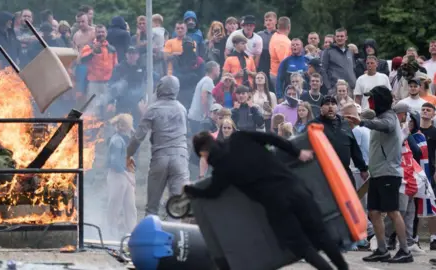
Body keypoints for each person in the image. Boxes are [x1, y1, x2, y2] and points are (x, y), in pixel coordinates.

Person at [184, 131, 349, 270]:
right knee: (321, 234)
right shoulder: (239, 137)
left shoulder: (222, 168)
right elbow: (272, 138)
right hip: (296, 189)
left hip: (276, 204)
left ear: (203, 153)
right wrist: (297, 152)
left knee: (301, 246)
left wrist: (189, 189)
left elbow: (213, 192)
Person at [345, 85, 414, 263]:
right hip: (377, 173)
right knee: (374, 212)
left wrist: (361, 122)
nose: (370, 101)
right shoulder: (380, 117)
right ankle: (382, 249)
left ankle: (405, 251)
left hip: (389, 173)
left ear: (380, 100)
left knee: (392, 211)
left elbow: (384, 125)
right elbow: (376, 121)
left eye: (372, 98)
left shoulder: (389, 118)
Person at [126, 76, 190, 218]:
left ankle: (150, 235)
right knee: (178, 206)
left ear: (160, 89)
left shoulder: (152, 109)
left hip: (160, 158)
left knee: (152, 207)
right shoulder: (182, 109)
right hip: (180, 157)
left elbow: (138, 137)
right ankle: (177, 238)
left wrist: (128, 154)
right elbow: (186, 133)